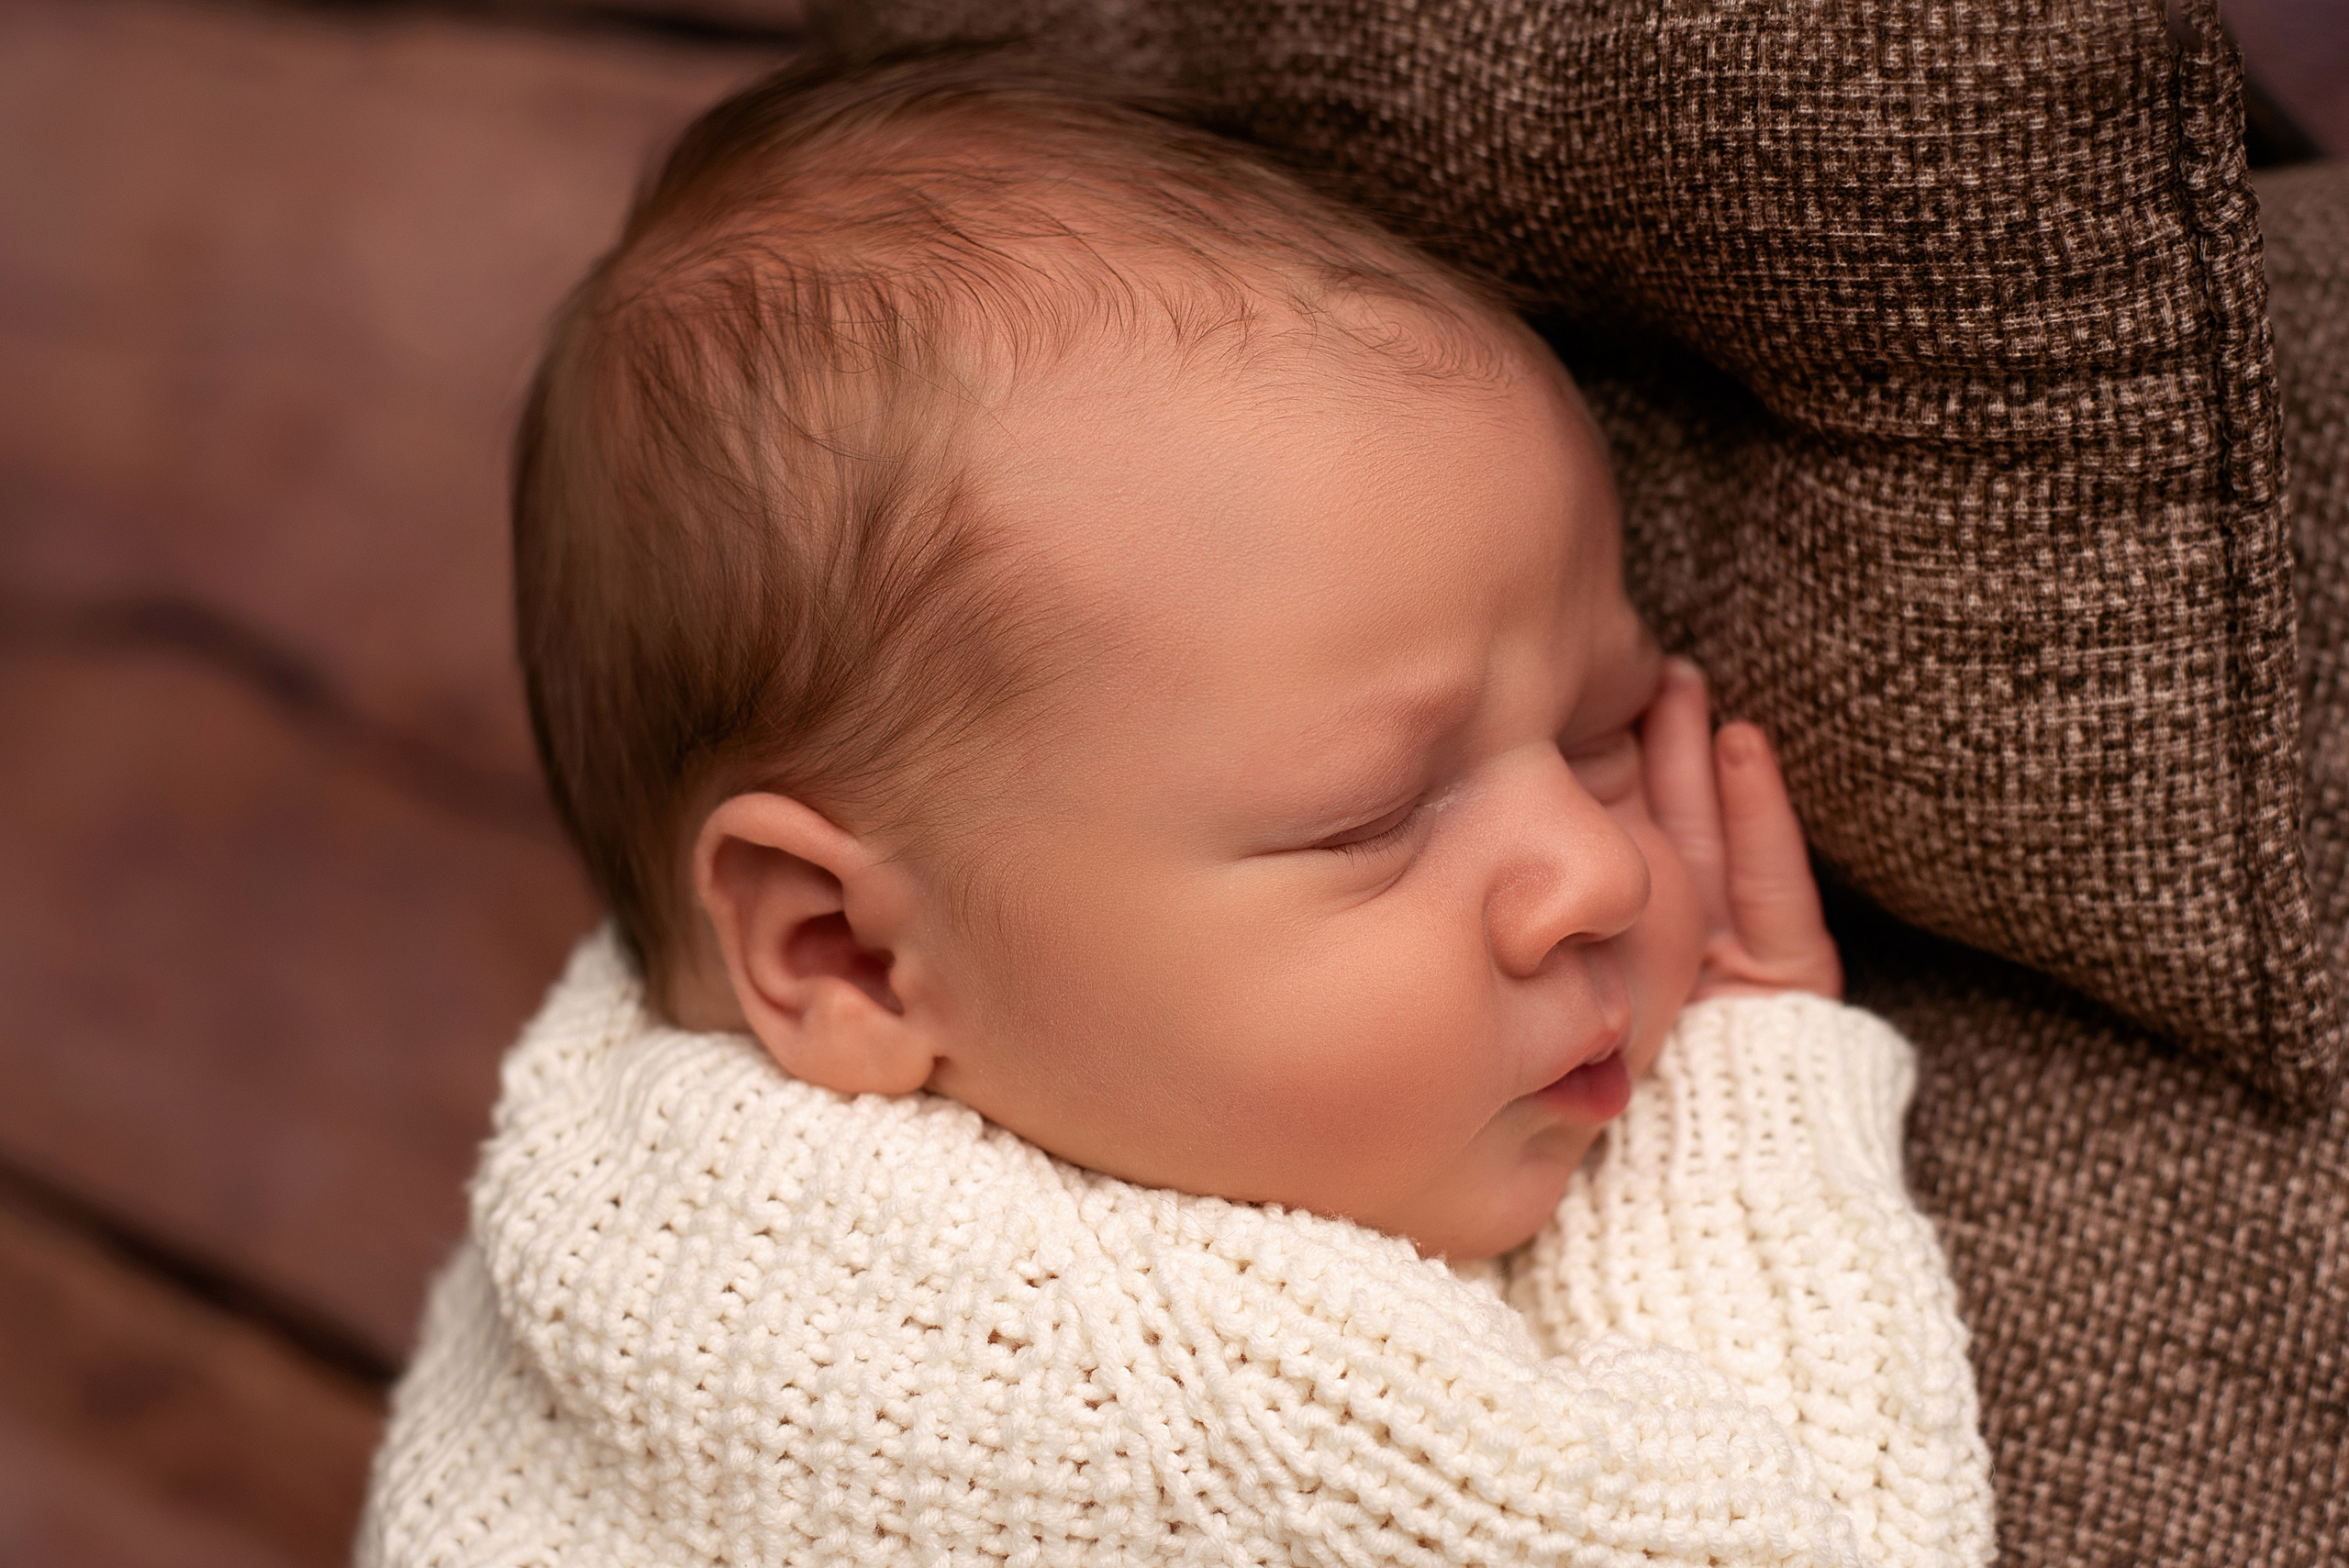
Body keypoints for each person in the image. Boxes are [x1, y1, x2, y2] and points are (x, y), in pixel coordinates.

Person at [361, 47, 1993, 1566]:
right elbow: (1825, 1537)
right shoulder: (1187, 1391)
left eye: (1605, 727)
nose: (1596, 866)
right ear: (844, 953)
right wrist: (1757, 1073)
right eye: (1373, 816)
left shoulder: (617, 1170)